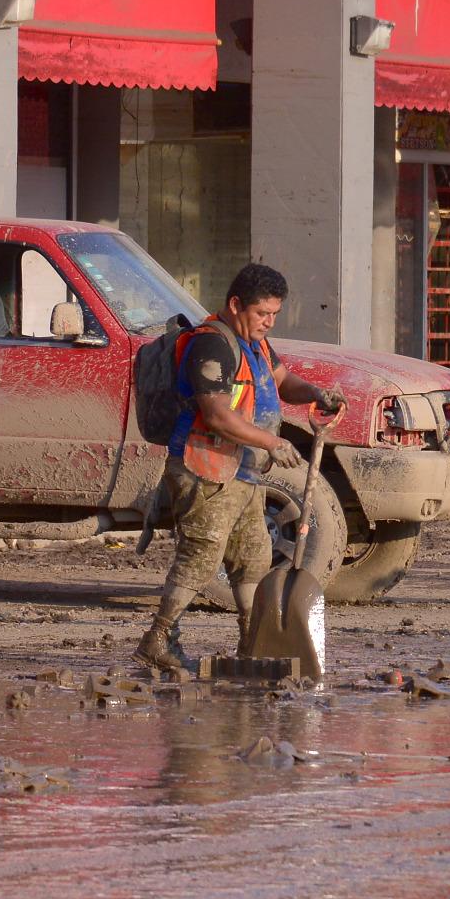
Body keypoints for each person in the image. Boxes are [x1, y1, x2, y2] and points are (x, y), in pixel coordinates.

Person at [137, 263, 344, 674]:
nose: (268, 322)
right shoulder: (212, 345)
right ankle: (158, 639)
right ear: (236, 305)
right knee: (201, 554)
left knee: (252, 557)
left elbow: (284, 382)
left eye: (274, 315)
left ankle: (253, 641)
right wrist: (274, 442)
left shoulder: (258, 344)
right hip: (205, 469)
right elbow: (216, 415)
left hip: (243, 472)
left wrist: (317, 394)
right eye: (261, 313)